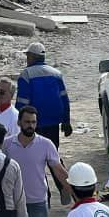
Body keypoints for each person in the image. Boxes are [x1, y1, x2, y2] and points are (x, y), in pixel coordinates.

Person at [16, 41, 71, 204]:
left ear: (32, 57)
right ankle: (65, 189)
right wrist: (66, 121)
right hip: (53, 123)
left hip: (33, 125)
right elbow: (64, 99)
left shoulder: (26, 75)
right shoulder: (56, 73)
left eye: (28, 56)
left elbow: (22, 102)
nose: (27, 59)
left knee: (36, 160)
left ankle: (44, 196)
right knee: (53, 156)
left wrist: (18, 122)